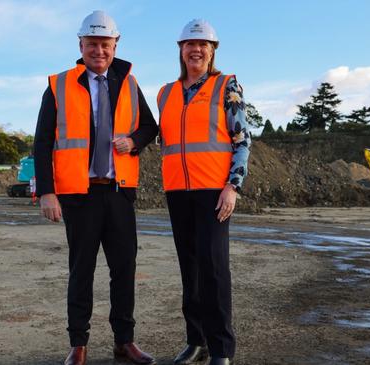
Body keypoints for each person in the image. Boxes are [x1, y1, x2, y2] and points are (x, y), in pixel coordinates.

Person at [33, 10, 158, 365]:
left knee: (124, 269)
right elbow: (42, 142)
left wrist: (133, 141)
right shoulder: (59, 84)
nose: (99, 50)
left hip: (118, 192)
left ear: (115, 45)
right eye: (92, 44)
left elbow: (150, 127)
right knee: (81, 269)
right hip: (79, 194)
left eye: (105, 44)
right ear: (81, 45)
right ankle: (79, 344)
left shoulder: (129, 83)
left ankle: (124, 341)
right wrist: (47, 191)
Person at [157, 19, 252, 365]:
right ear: (180, 49)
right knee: (190, 269)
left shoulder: (227, 86)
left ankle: (221, 349)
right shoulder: (166, 93)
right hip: (177, 191)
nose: (196, 50)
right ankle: (195, 341)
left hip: (214, 190)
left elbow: (242, 140)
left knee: (213, 269)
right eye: (189, 44)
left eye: (203, 45)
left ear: (212, 51)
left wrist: (233, 186)